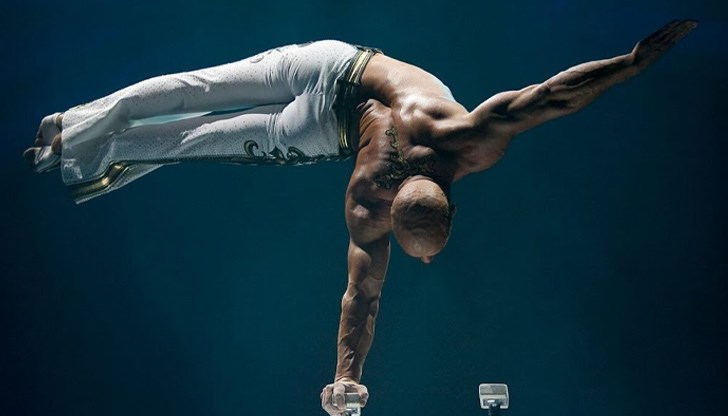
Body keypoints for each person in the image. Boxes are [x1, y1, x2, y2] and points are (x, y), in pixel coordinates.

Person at [23, 20, 697, 416]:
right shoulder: (376, 195)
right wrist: (348, 375)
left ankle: (69, 128)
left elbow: (553, 96)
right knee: (196, 136)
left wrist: (630, 65)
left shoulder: (456, 143)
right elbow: (362, 295)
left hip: (333, 70)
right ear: (445, 207)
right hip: (323, 118)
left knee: (196, 95)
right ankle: (75, 147)